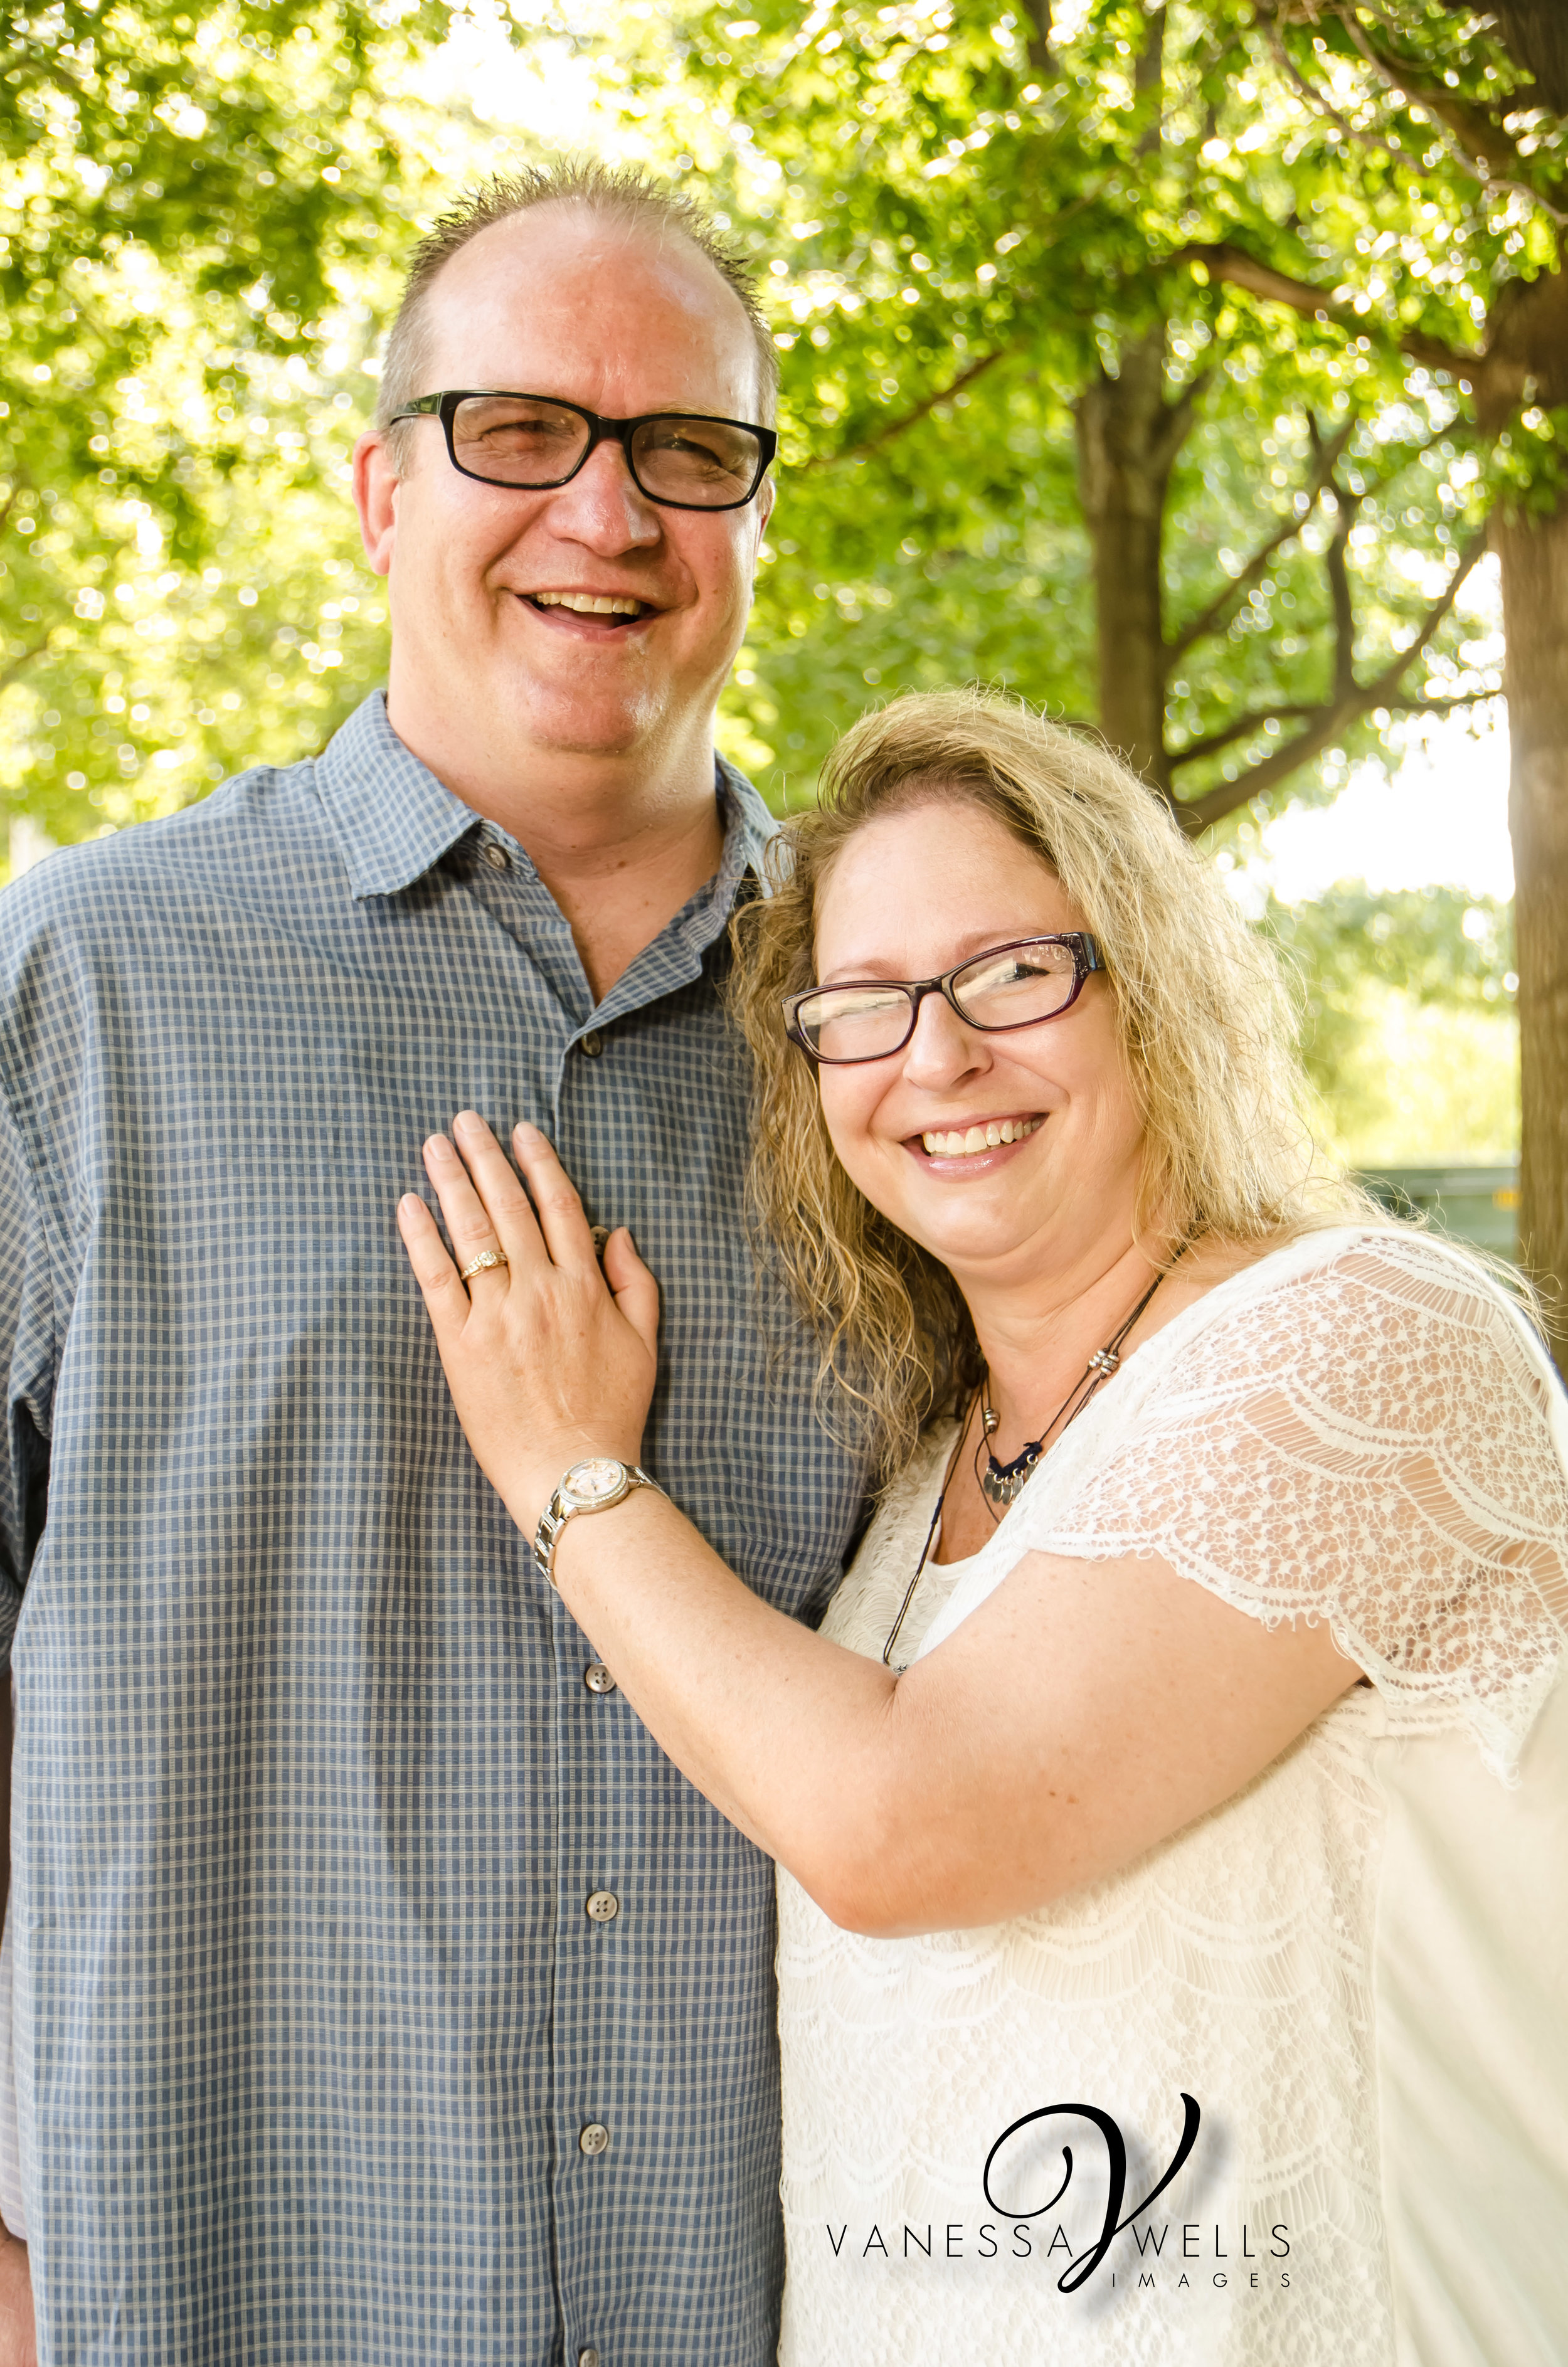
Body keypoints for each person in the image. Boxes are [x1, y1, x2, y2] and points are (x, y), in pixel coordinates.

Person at [400, 688, 1568, 2367]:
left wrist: (565, 1472)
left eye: (1013, 974)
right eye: (862, 1005)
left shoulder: (1370, 1344)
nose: (936, 1058)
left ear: (1148, 983)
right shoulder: (918, 1489)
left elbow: (903, 1825)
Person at [0, 164, 864, 2361]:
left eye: (688, 449)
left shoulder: (897, 1033)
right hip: (220, 2266)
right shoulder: (88, 977)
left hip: (804, 2287)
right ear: (380, 493)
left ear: (753, 522)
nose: (607, 513)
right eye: (518, 432)